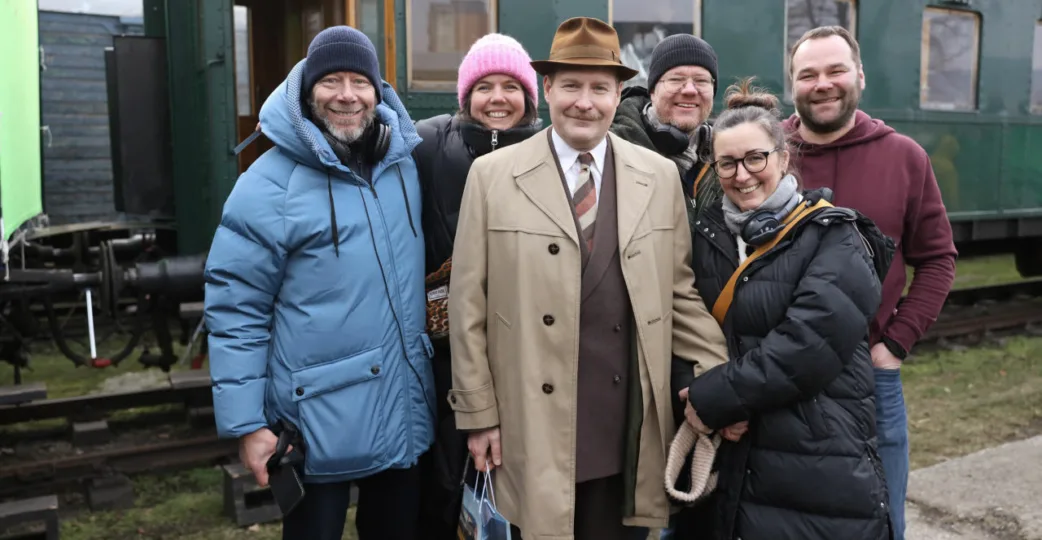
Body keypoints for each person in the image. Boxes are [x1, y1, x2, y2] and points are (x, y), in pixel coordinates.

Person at [446, 16, 730, 540]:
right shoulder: (491, 176)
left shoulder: (659, 176)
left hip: (623, 425)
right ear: (547, 88)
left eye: (599, 88)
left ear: (618, 94)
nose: (585, 102)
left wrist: (722, 380)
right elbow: (468, 305)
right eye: (571, 86)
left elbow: (679, 294)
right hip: (528, 424)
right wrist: (478, 413)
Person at [202, 26, 435, 540]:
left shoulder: (403, 168)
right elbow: (236, 310)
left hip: (401, 414)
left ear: (378, 92)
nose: (347, 95)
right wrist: (248, 425)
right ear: (307, 91)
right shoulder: (266, 185)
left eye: (360, 82)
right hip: (309, 429)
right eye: (332, 81)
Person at [682, 77, 890, 540]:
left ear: (782, 157)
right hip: (731, 463)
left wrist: (713, 398)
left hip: (816, 461)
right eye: (727, 163)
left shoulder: (835, 237)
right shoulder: (707, 239)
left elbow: (808, 346)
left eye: (755, 158)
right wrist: (694, 389)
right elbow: (681, 321)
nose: (742, 175)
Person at [784, 26, 958, 540]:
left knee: (879, 525)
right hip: (777, 378)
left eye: (836, 70)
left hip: (870, 379)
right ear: (792, 83)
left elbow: (938, 259)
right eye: (808, 74)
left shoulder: (904, 157)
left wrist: (896, 344)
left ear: (859, 75)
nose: (822, 84)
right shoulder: (766, 153)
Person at [413, 33, 543, 537]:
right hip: (445, 350)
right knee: (444, 479)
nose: (497, 99)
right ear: (466, 96)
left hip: (525, 351)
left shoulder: (551, 157)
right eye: (484, 87)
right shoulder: (428, 146)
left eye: (511, 87)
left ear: (529, 97)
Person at [610, 34, 722, 215]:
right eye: (676, 79)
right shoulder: (612, 150)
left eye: (701, 81)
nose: (690, 90)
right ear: (652, 91)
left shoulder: (727, 160)